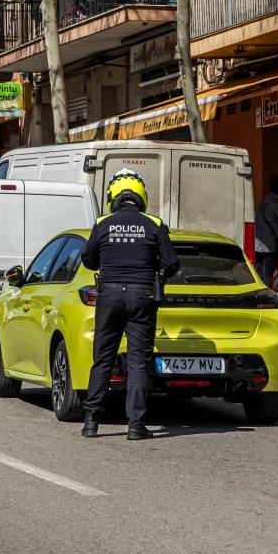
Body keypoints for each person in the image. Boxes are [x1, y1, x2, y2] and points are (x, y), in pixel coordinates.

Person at [80, 169, 178, 441]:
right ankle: (136, 425)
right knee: (138, 362)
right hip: (142, 296)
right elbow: (172, 263)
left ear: (113, 196)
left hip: (109, 296)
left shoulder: (103, 223)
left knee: (103, 359)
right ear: (141, 196)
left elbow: (88, 260)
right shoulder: (154, 223)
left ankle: (91, 422)